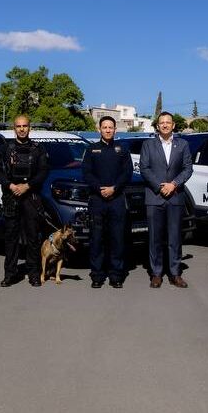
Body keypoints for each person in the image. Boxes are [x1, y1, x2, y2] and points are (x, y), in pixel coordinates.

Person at [0, 115, 50, 287]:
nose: (22, 129)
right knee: (11, 238)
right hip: (11, 196)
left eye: (25, 126)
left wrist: (27, 186)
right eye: (19, 126)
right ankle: (10, 274)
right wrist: (10, 185)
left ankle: (34, 274)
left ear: (29, 128)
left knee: (33, 237)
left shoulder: (38, 149)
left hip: (31, 197)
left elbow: (43, 171)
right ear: (14, 128)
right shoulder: (5, 148)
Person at [139, 112, 193, 288]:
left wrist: (174, 184)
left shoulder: (183, 144)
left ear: (173, 125)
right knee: (155, 238)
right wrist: (160, 186)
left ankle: (175, 273)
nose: (165, 125)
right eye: (161, 122)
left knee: (175, 238)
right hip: (155, 197)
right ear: (157, 126)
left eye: (168, 122)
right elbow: (144, 168)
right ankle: (156, 273)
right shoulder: (148, 145)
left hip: (175, 197)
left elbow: (188, 168)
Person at [81, 116, 131, 288]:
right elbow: (87, 173)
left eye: (111, 127)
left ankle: (116, 275)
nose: (108, 130)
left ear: (115, 129)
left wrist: (114, 188)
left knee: (117, 239)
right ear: (99, 129)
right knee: (97, 239)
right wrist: (100, 189)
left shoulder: (122, 149)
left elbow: (127, 173)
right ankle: (97, 275)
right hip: (97, 200)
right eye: (105, 127)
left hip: (117, 199)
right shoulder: (91, 149)